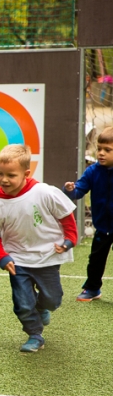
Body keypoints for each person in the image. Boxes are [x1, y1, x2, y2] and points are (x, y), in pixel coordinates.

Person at [0, 144, 77, 353]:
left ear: (26, 173)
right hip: (18, 260)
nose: (4, 179)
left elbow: (67, 218)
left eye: (11, 175)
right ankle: (35, 335)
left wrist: (70, 240)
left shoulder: (44, 192)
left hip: (47, 257)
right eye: (0, 173)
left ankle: (42, 307)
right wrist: (1, 258)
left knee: (53, 300)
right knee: (23, 304)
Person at [62, 126, 113, 301]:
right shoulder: (92, 171)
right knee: (96, 261)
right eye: (99, 149)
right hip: (102, 227)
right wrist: (70, 190)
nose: (101, 153)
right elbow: (78, 192)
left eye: (107, 150)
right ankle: (92, 288)